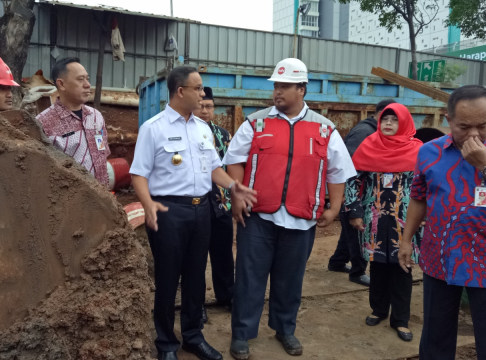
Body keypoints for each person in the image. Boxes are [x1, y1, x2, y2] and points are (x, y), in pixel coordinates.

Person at [223, 58, 356, 359]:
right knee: (249, 278)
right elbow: (235, 159)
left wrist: (334, 208)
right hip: (257, 218)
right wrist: (238, 194)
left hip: (301, 221)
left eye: (285, 86)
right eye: (276, 86)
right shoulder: (256, 123)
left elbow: (337, 172)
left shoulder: (325, 129)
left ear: (302, 89)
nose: (278, 92)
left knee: (290, 279)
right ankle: (242, 334)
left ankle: (285, 329)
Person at [129, 66, 256, 360]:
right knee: (168, 278)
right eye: (198, 88)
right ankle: (165, 343)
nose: (202, 94)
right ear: (180, 91)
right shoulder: (154, 128)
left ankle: (192, 336)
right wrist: (148, 204)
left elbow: (214, 169)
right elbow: (138, 174)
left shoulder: (202, 129)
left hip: (202, 211)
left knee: (197, 277)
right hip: (169, 211)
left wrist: (233, 186)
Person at [399, 85, 486, 359]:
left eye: (482, 125)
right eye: (464, 126)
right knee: (436, 335)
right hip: (439, 257)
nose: (474, 134)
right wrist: (406, 239)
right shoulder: (429, 153)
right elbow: (419, 198)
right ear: (448, 119)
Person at [345, 103, 423, 342]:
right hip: (374, 218)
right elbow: (353, 181)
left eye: (394, 120)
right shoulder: (369, 145)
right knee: (377, 265)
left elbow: (428, 185)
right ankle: (378, 309)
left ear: (405, 123)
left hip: (406, 220)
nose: (388, 124)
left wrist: (426, 215)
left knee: (403, 267)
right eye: (385, 120)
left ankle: (400, 319)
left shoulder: (419, 151)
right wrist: (354, 211)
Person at [328, 98, 396, 286]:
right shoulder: (365, 133)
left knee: (349, 232)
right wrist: (349, 198)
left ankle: (337, 261)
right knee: (359, 232)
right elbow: (351, 167)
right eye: (389, 118)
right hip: (354, 194)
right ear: (381, 115)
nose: (391, 123)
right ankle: (358, 272)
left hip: (356, 194)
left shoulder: (372, 131)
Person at [36, 57, 111, 187]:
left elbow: (103, 153)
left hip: (101, 199)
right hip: (70, 202)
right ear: (62, 84)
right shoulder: (43, 123)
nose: (87, 84)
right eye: (80, 79)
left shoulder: (95, 117)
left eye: (87, 79)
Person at [199, 86, 235, 323]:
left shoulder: (223, 135)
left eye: (209, 106)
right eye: (201, 105)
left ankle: (227, 296)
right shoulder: (187, 133)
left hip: (221, 204)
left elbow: (230, 166)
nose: (204, 110)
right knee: (196, 257)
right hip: (198, 204)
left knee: (223, 253)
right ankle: (197, 302)